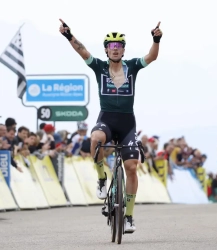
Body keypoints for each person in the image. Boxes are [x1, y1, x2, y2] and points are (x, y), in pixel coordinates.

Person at [59, 19, 162, 233]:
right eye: (111, 46)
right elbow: (83, 51)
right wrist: (69, 35)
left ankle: (129, 217)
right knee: (95, 139)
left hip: (127, 124)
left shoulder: (132, 66)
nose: (115, 49)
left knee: (132, 167)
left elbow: (152, 56)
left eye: (119, 46)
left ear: (123, 49)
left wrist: (156, 39)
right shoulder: (99, 66)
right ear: (106, 49)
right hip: (106, 120)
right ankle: (101, 179)